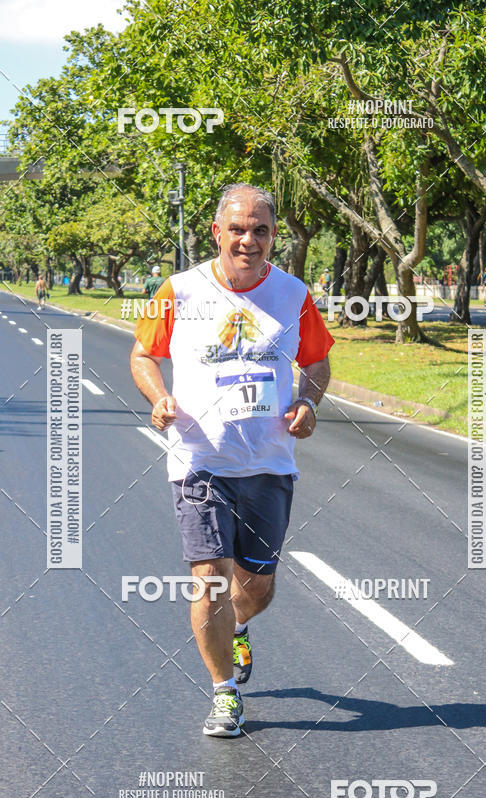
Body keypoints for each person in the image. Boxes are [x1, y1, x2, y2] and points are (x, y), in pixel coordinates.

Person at [130, 183, 333, 738]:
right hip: (200, 460)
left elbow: (317, 362)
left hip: (269, 462)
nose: (249, 239)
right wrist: (159, 397)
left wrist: (308, 402)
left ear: (273, 236)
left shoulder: (293, 294)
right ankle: (224, 696)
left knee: (256, 587)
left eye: (261, 229)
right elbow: (144, 353)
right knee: (210, 579)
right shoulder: (179, 290)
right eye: (238, 228)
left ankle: (238, 626)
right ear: (217, 232)